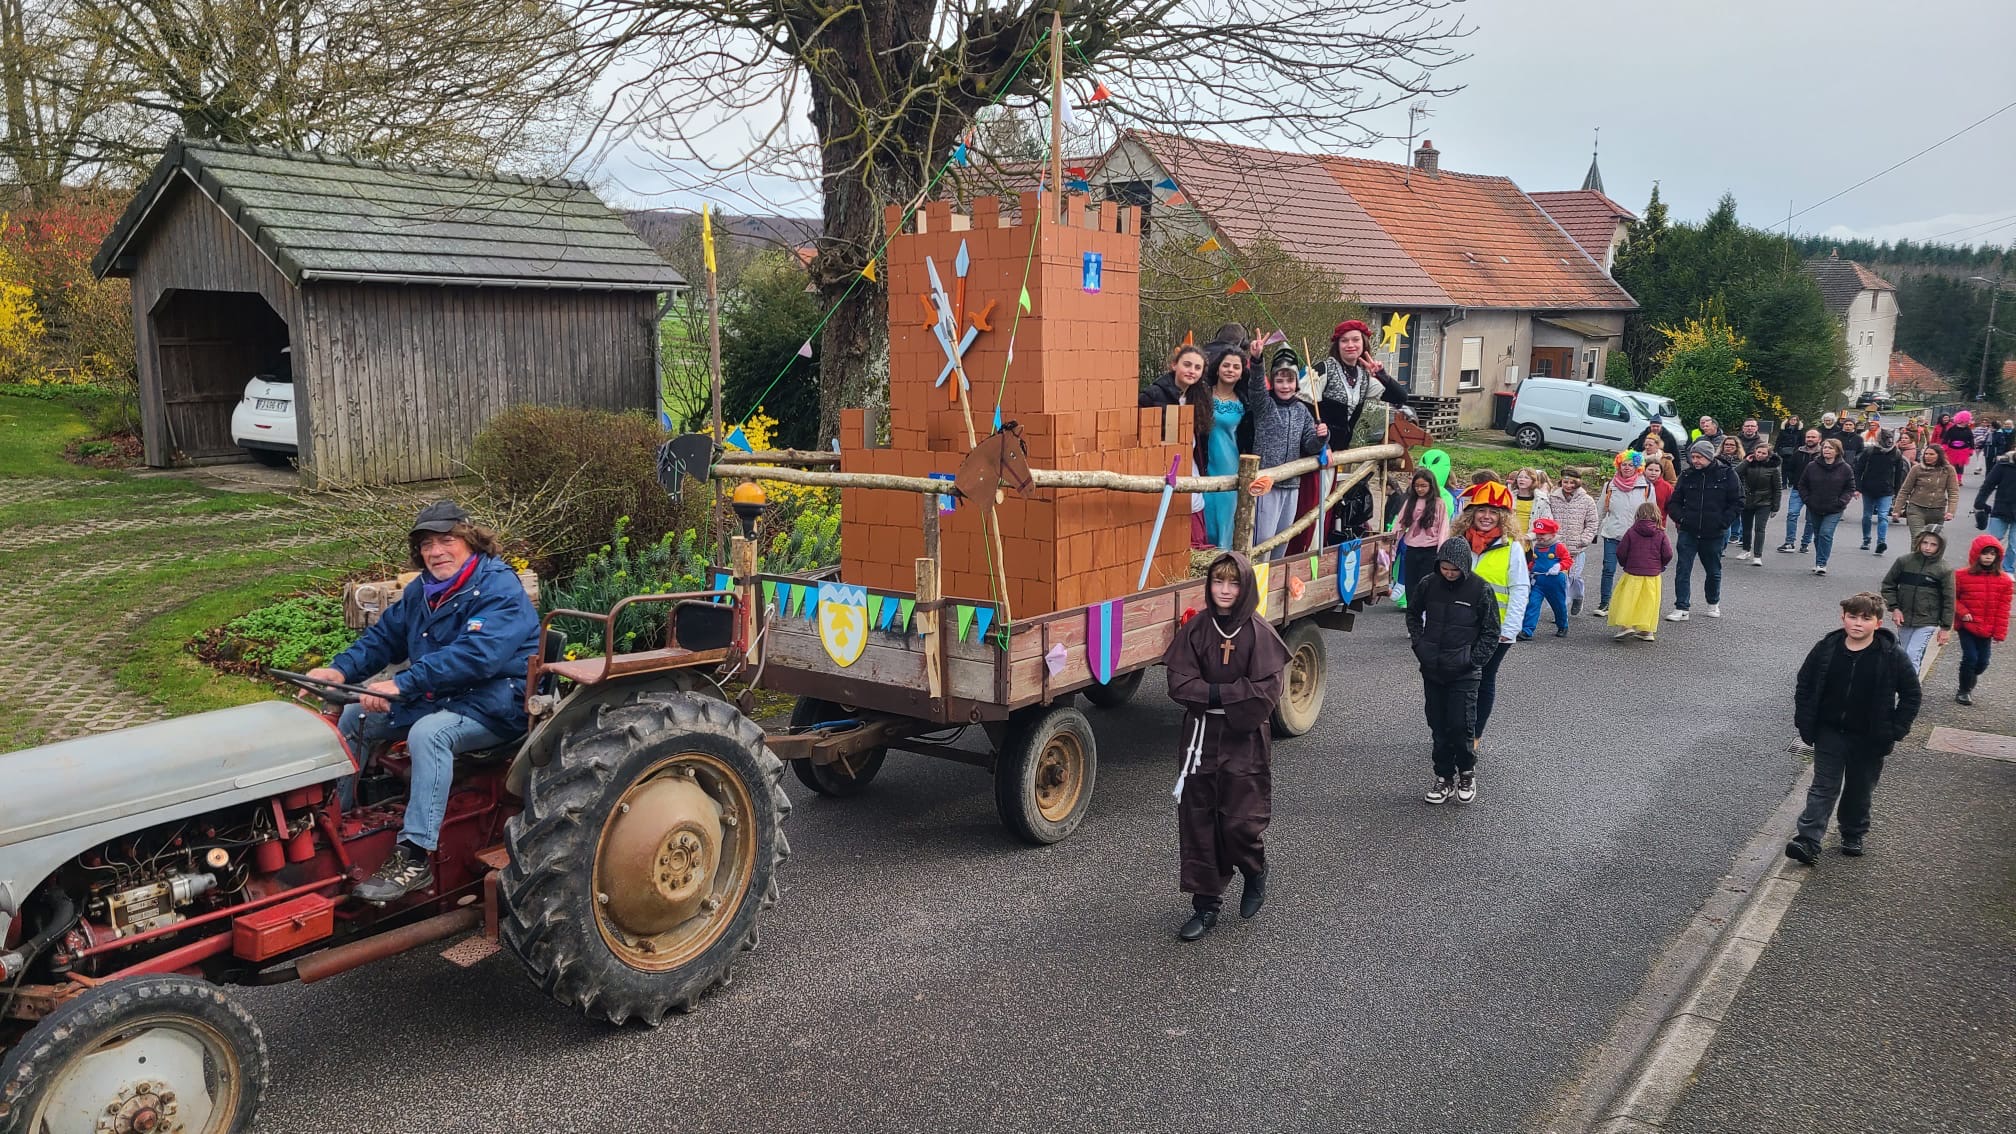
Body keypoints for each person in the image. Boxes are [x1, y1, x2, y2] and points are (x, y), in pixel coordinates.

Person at [311, 501, 542, 902]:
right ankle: (333, 826)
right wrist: (341, 671)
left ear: (471, 541)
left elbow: (477, 655)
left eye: (446, 540)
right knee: (353, 716)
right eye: (427, 544)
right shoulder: (424, 590)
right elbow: (385, 638)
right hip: (443, 694)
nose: (436, 552)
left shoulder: (500, 587)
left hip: (497, 702)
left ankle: (415, 855)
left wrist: (404, 684)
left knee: (428, 735)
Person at [1163, 552, 1287, 940]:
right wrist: (1223, 693)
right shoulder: (1197, 629)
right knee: (1199, 820)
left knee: (1238, 822)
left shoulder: (1259, 632)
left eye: (1234, 583)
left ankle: (1254, 870)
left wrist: (1213, 695)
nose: (1225, 590)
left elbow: (1265, 691)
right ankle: (1206, 906)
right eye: (1219, 582)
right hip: (1200, 738)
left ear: (1245, 586)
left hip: (1243, 740)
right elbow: (1179, 682)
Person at [1788, 592, 1922, 865]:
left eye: (1865, 618)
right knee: (1823, 786)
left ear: (1878, 623)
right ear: (1843, 618)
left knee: (1859, 788)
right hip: (1830, 731)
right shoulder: (1827, 648)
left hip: (1869, 736)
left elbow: (1911, 694)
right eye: (1852, 617)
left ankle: (1853, 832)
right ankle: (1808, 840)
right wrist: (1804, 719)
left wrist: (1896, 729)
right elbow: (1805, 683)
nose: (1858, 623)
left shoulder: (1891, 655)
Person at [1407, 538, 1500, 806]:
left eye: (1454, 569)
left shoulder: (1480, 589)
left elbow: (1491, 630)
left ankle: (1467, 773)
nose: (1449, 573)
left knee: (1461, 726)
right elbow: (1413, 614)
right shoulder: (1428, 584)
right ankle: (1443, 777)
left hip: (1465, 673)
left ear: (1464, 567)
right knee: (1438, 727)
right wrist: (1419, 644)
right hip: (1432, 668)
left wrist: (1473, 660)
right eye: (1445, 568)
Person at [1313, 319, 1410, 542]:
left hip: (1339, 453)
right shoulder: (1324, 368)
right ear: (1337, 345)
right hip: (1317, 450)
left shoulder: (1364, 376)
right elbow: (1308, 407)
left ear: (1363, 343)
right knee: (1315, 509)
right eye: (1344, 341)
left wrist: (1381, 374)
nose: (1350, 345)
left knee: (1331, 507)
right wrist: (1321, 444)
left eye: (1355, 340)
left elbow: (1399, 397)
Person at [1450, 482, 1529, 741]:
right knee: (1455, 679)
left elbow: (1519, 589)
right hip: (1459, 626)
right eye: (1482, 510)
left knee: (1483, 679)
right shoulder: (1458, 544)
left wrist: (1510, 629)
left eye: (1493, 512)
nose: (1486, 516)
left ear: (1503, 517)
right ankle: (1454, 728)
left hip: (1495, 631)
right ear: (1471, 513)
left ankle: (1473, 736)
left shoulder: (1512, 548)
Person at [1246, 348, 1328, 556]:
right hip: (1266, 485)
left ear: (1296, 383)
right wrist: (1256, 360)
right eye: (1280, 380)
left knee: (1283, 539)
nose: (1285, 386)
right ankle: (1257, 583)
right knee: (1263, 540)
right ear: (1272, 381)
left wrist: (1321, 437)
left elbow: (1310, 444)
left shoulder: (1302, 410)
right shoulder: (1265, 405)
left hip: (1292, 485)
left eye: (1289, 380)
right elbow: (1256, 388)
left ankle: (1273, 584)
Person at [1663, 440, 1744, 621]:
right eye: (1693, 457)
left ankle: (1713, 602)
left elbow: (1738, 501)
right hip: (1688, 530)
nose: (1695, 461)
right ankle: (1681, 607)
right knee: (1683, 569)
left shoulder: (1727, 474)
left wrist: (1723, 522)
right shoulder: (1687, 475)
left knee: (1713, 570)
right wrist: (1681, 518)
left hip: (1714, 532)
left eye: (1699, 457)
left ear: (1709, 456)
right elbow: (1674, 502)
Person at [1879, 530, 1954, 672]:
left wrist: (1945, 628)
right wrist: (1894, 608)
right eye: (1925, 543)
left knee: (1912, 654)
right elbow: (1888, 585)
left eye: (1933, 545)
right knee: (1903, 654)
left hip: (1928, 620)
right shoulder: (1904, 561)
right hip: (1904, 617)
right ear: (1919, 542)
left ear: (1940, 547)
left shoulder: (1944, 570)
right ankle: (1901, 686)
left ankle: (1910, 692)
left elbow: (1949, 599)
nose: (1927, 547)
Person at [1198, 348, 1251, 548]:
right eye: (1226, 365)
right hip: (1205, 463)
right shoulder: (1203, 395)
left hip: (1231, 466)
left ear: (1241, 372)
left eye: (1236, 367)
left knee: (1226, 520)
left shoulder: (1244, 402)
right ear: (1217, 368)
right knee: (1206, 515)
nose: (1230, 370)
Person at [1594, 451, 1655, 616]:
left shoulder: (1647, 487)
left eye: (1631, 465)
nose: (1627, 468)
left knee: (1633, 573)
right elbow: (1600, 510)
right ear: (1618, 466)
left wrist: (1654, 535)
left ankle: (1629, 607)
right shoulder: (1610, 486)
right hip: (1612, 533)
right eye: (1623, 464)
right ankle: (1604, 603)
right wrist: (1594, 531)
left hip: (1636, 537)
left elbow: (1652, 513)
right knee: (1608, 569)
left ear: (1637, 466)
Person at [1953, 535, 2011, 704]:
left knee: (1983, 662)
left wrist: (1999, 633)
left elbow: (2003, 609)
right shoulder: (1962, 575)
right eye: (1985, 553)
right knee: (1970, 657)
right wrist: (1962, 612)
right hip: (1967, 625)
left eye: (1992, 554)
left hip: (1988, 627)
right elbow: (1952, 598)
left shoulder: (2004, 581)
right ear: (1976, 554)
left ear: (1997, 557)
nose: (1988, 557)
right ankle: (1963, 690)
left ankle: (1970, 679)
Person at [1609, 502, 1673, 641]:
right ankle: (1647, 630)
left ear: (1638, 515)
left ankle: (1626, 626)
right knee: (1649, 601)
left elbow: (1621, 551)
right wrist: (1660, 565)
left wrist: (1625, 564)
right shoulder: (1660, 533)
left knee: (1628, 599)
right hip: (1652, 575)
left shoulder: (1631, 532)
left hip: (1633, 572)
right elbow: (1668, 553)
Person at [1392, 467, 1452, 610]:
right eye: (1417, 486)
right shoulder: (1410, 502)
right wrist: (1392, 545)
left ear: (1431, 486)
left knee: (1427, 584)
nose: (1420, 489)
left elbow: (1444, 527)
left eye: (1423, 486)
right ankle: (1413, 617)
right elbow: (1400, 524)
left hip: (1431, 550)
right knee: (1411, 584)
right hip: (1412, 548)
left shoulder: (1439, 503)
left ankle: (1426, 616)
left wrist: (1441, 551)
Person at [1796, 438, 1857, 576]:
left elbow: (1850, 488)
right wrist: (1807, 499)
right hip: (1815, 506)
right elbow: (1802, 484)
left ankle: (1822, 563)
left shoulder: (1845, 468)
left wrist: (1841, 502)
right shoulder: (1812, 466)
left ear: (1837, 451)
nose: (1826, 450)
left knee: (1826, 533)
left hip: (1834, 508)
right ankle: (1819, 560)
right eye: (1825, 448)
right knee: (1818, 535)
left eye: (1830, 448)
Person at [1545, 467, 1601, 617]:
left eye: (1572, 482)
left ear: (1578, 483)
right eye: (1565, 482)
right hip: (1557, 546)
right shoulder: (1553, 497)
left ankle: (1578, 596)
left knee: (1574, 577)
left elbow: (1592, 522)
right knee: (1560, 579)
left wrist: (1584, 539)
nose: (1568, 485)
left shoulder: (1587, 500)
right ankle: (1561, 610)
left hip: (1577, 547)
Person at [1853, 429, 1907, 555]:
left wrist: (1898, 492)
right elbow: (1859, 469)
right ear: (1880, 438)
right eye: (1886, 438)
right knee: (1867, 516)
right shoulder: (1870, 451)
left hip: (1886, 490)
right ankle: (1866, 539)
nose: (1889, 441)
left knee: (1883, 515)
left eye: (1891, 438)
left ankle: (1881, 542)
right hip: (1869, 488)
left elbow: (1899, 474)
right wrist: (1858, 488)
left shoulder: (1896, 453)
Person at [1890, 443, 1958, 543]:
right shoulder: (1917, 469)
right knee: (1918, 539)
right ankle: (1915, 558)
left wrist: (1951, 511)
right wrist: (1897, 509)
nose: (1927, 457)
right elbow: (1905, 490)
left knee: (1933, 541)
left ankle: (1929, 559)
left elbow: (1953, 492)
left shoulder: (1948, 470)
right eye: (1926, 454)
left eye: (1931, 454)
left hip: (1937, 511)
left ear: (1939, 456)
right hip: (1916, 509)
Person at [1520, 517, 1573, 639]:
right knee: (1532, 604)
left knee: (1558, 605)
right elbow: (1534, 561)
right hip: (1538, 582)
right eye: (1538, 534)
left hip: (1555, 582)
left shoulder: (1558, 546)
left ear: (1552, 534)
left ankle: (1562, 625)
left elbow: (1568, 560)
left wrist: (1559, 566)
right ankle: (1527, 631)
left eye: (1543, 534)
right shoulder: (1537, 546)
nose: (1539, 537)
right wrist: (1528, 569)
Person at [1737, 439, 1782, 564]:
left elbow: (1777, 488)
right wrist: (1746, 462)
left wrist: (1775, 507)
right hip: (1748, 499)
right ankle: (1745, 549)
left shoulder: (1773, 468)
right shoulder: (1748, 463)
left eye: (1763, 453)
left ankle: (1757, 555)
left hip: (1765, 501)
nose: (1760, 455)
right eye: (1758, 452)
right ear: (1754, 452)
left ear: (1768, 455)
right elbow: (1735, 474)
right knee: (1746, 527)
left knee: (1759, 529)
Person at [1778, 428, 1823, 553]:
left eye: (1813, 437)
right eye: (1808, 437)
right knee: (1792, 515)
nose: (1810, 439)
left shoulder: (1823, 454)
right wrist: (1793, 480)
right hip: (1797, 489)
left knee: (1811, 519)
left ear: (1819, 439)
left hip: (1815, 492)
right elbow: (1790, 468)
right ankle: (1789, 542)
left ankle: (1805, 543)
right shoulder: (1798, 452)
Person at [1975, 448, 2016, 575]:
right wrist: (1980, 502)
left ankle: (2007, 569)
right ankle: (1989, 568)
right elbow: (1989, 484)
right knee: (1992, 542)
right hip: (2001, 508)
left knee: (2014, 545)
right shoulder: (2004, 464)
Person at [1141, 343, 1207, 407]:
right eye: (1187, 365)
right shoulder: (1152, 395)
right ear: (1174, 365)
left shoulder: (1202, 397)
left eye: (1197, 368)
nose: (1192, 371)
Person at [1509, 467, 1552, 543]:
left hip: (1532, 542)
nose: (1522, 479)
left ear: (1533, 481)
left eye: (1526, 478)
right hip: (1511, 539)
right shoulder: (1509, 497)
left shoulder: (1542, 500)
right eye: (1520, 477)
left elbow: (1546, 522)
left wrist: (1529, 536)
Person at [1942, 409, 1976, 484]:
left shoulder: (1968, 430)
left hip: (1963, 450)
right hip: (1952, 449)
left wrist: (1971, 449)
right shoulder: (1952, 429)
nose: (1967, 422)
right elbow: (1946, 438)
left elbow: (1971, 440)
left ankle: (1959, 479)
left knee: (1960, 465)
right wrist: (1944, 446)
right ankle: (1950, 479)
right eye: (1966, 421)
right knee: (1951, 465)